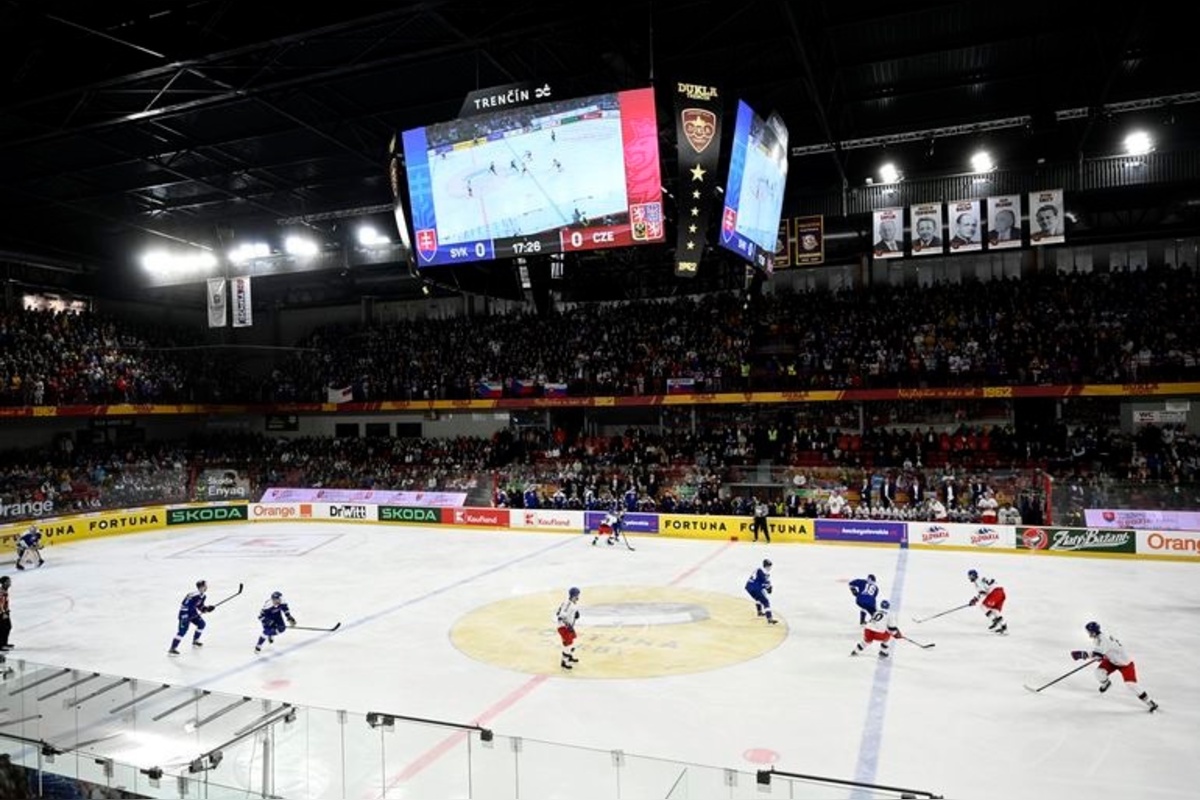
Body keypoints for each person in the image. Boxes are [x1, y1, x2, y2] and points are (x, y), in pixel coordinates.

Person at [1071, 622, 1158, 712]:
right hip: (1111, 661)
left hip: (1125, 664)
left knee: (1131, 685)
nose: (1088, 633)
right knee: (1098, 673)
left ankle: (1150, 702)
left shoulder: (1103, 640)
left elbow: (1097, 654)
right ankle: (1106, 683)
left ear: (1093, 632)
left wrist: (1082, 655)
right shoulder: (1098, 638)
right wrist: (1097, 656)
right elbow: (1099, 654)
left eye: (1089, 632)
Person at [169, 579, 214, 655]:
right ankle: (172, 648)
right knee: (182, 631)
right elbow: (184, 605)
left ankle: (195, 641)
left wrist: (206, 609)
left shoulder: (203, 596)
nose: (206, 587)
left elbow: (200, 606)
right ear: (201, 587)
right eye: (205, 586)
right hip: (184, 615)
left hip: (193, 614)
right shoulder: (192, 595)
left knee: (201, 624)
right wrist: (185, 617)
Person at [966, 569, 1008, 634]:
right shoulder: (981, 579)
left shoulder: (977, 581)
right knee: (995, 610)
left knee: (983, 606)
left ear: (974, 575)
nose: (969, 578)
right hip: (1001, 593)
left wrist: (975, 600)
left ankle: (994, 621)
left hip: (995, 593)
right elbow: (986, 589)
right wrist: (975, 599)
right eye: (969, 576)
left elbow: (983, 592)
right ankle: (1004, 627)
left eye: (970, 576)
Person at [745, 559, 778, 624]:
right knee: (766, 602)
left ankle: (759, 611)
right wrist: (769, 588)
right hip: (755, 587)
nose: (770, 568)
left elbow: (762, 581)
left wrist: (768, 587)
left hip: (749, 587)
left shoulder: (758, 569)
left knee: (758, 598)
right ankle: (770, 619)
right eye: (769, 566)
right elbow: (765, 582)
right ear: (766, 566)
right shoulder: (763, 571)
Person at [555, 587, 581, 669]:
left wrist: (574, 615)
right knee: (567, 644)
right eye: (577, 595)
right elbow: (560, 616)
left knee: (572, 642)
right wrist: (567, 625)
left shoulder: (572, 603)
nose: (578, 597)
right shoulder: (568, 604)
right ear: (574, 595)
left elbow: (559, 612)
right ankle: (564, 662)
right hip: (564, 627)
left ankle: (569, 656)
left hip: (568, 626)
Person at [0, 576, 11, 651]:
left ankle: (4, 643)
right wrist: (3, 612)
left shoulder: (5, 590)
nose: (10, 583)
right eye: (8, 582)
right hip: (1, 613)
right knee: (3, 628)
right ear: (3, 583)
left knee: (7, 627)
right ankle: (1, 645)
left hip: (5, 612)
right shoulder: (1, 592)